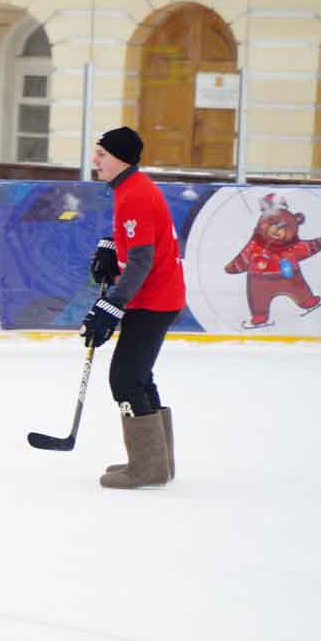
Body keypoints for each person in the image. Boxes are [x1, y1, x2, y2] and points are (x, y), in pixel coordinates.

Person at [82, 126, 184, 490]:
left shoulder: (135, 194)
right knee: (138, 377)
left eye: (102, 154)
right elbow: (139, 238)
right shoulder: (129, 188)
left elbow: (141, 261)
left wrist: (112, 305)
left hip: (153, 299)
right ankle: (156, 461)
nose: (96, 160)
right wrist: (112, 246)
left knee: (125, 379)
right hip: (155, 296)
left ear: (120, 158)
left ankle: (147, 468)